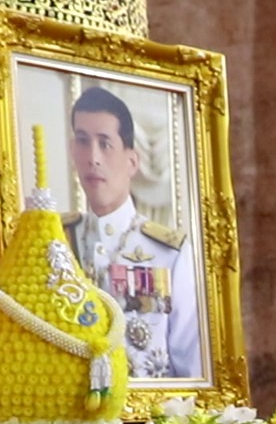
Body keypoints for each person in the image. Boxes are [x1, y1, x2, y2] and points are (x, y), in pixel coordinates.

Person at [61, 85, 202, 379]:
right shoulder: (54, 240)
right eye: (83, 141)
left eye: (105, 143)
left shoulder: (169, 252)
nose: (93, 158)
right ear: (73, 152)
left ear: (132, 161)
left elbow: (192, 367)